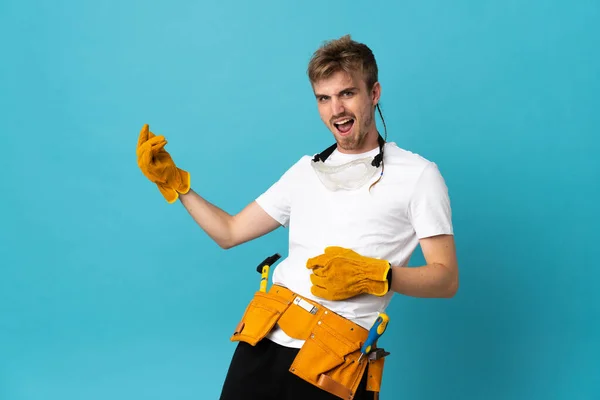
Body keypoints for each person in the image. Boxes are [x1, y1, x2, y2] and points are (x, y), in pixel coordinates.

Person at [136, 34, 459, 400]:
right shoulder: (306, 170)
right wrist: (178, 185)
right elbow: (229, 232)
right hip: (263, 340)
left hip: (336, 359)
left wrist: (378, 275)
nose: (336, 109)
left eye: (347, 93)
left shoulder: (417, 175)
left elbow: (446, 279)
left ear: (374, 93)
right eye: (324, 98)